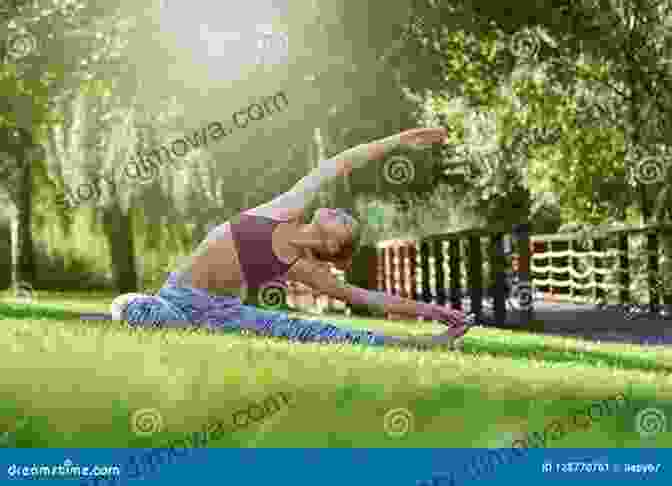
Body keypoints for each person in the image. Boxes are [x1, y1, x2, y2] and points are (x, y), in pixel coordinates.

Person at [110, 128, 470, 349]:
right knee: (129, 307)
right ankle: (175, 328)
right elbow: (340, 163)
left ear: (332, 246)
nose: (343, 212)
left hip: (221, 314)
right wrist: (400, 141)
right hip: (177, 298)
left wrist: (434, 312)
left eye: (348, 223)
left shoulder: (301, 267)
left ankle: (425, 345)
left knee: (314, 331)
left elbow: (364, 296)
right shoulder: (288, 208)